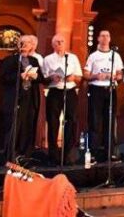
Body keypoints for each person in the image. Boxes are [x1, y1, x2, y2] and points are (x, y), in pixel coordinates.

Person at [82, 30, 123, 161]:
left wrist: (114, 76)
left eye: (107, 36)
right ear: (98, 39)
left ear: (110, 39)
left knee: (110, 121)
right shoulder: (93, 56)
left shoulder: (115, 55)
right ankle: (93, 153)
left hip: (110, 89)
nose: (105, 38)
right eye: (102, 36)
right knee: (95, 121)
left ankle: (109, 152)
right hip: (96, 90)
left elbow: (120, 75)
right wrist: (96, 76)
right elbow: (85, 74)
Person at [43, 33, 83, 165]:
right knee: (52, 122)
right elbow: (43, 77)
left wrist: (73, 77)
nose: (59, 43)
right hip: (54, 91)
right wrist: (51, 77)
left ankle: (68, 154)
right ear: (53, 44)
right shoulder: (48, 59)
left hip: (70, 90)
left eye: (62, 41)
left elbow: (79, 77)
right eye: (57, 41)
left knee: (71, 121)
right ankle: (53, 155)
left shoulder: (72, 57)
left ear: (65, 44)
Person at [2, 35, 44, 159]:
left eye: (28, 43)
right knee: (14, 126)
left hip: (30, 98)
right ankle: (11, 156)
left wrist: (36, 77)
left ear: (32, 46)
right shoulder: (10, 60)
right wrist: (20, 76)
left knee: (28, 126)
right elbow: (4, 78)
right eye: (23, 42)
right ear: (18, 44)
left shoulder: (33, 60)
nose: (25, 44)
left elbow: (41, 78)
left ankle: (26, 156)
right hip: (16, 97)